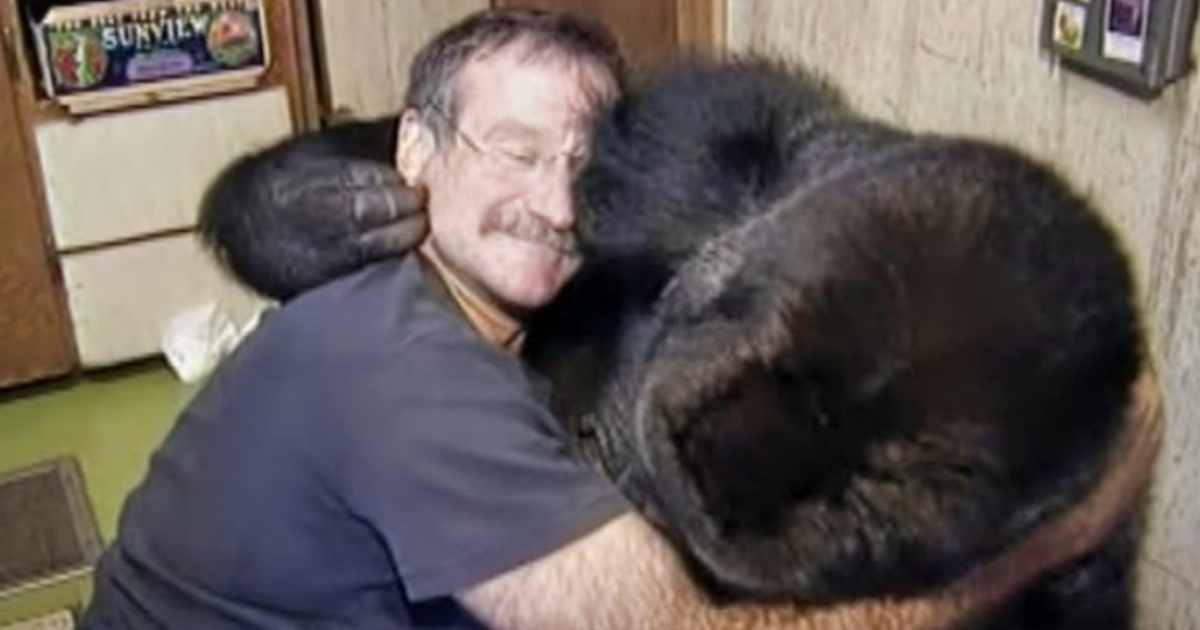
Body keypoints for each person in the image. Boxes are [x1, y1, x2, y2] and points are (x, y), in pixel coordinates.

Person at [80, 8, 1162, 630]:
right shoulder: (409, 358)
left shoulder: (612, 207)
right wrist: (1043, 543)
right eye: (513, 149)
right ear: (415, 146)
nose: (554, 204)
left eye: (575, 165)